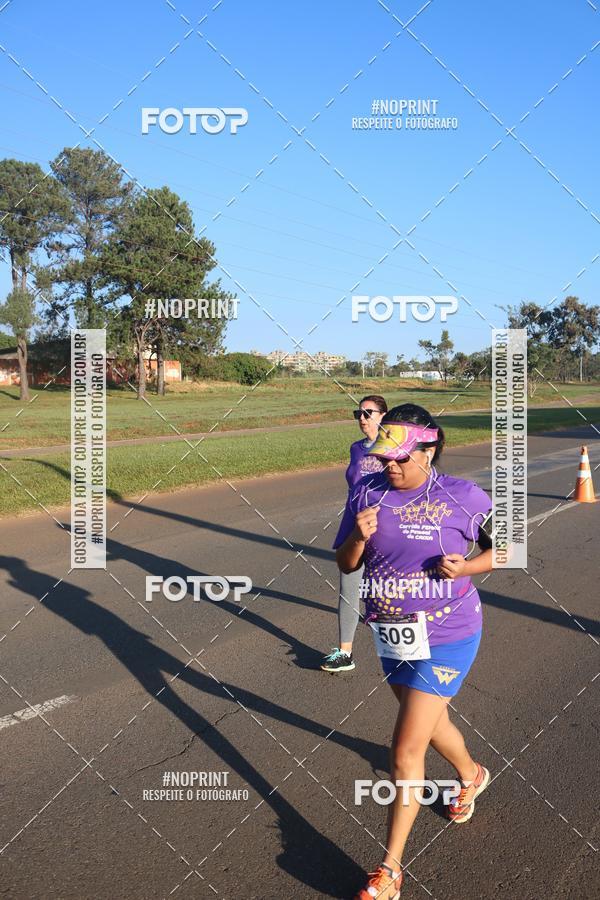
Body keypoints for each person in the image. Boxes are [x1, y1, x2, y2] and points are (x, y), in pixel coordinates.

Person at [334, 403, 493, 900]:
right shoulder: (368, 490)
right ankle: (472, 774)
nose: (392, 466)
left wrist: (466, 568)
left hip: (450, 632)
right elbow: (344, 563)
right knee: (426, 719)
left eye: (402, 458)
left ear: (431, 448)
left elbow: (507, 549)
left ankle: (390, 870)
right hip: (392, 630)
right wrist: (359, 538)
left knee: (406, 747)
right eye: (386, 457)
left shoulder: (464, 496)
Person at [320, 395, 388, 673]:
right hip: (354, 523)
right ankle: (344, 652)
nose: (362, 418)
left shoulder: (393, 446)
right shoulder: (356, 449)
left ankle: (410, 651)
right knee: (349, 585)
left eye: (368, 413)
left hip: (385, 526)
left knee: (390, 589)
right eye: (358, 413)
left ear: (383, 415)